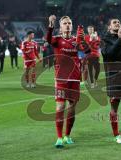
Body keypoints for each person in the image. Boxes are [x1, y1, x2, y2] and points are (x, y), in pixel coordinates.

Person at [46, 15, 89, 148]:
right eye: (65, 23)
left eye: (69, 23)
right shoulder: (57, 40)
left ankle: (67, 135)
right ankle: (59, 137)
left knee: (71, 109)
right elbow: (48, 39)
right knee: (60, 108)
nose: (67, 25)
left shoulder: (76, 41)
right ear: (61, 26)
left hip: (75, 78)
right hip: (61, 78)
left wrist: (82, 41)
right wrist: (50, 25)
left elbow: (87, 51)